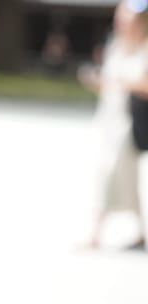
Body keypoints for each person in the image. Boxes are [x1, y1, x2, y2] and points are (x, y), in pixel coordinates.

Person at [80, 0, 148, 249]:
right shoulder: (116, 45)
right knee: (127, 179)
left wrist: (122, 81)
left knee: (110, 173)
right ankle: (141, 232)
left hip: (130, 123)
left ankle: (95, 233)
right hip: (110, 118)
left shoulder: (145, 48)